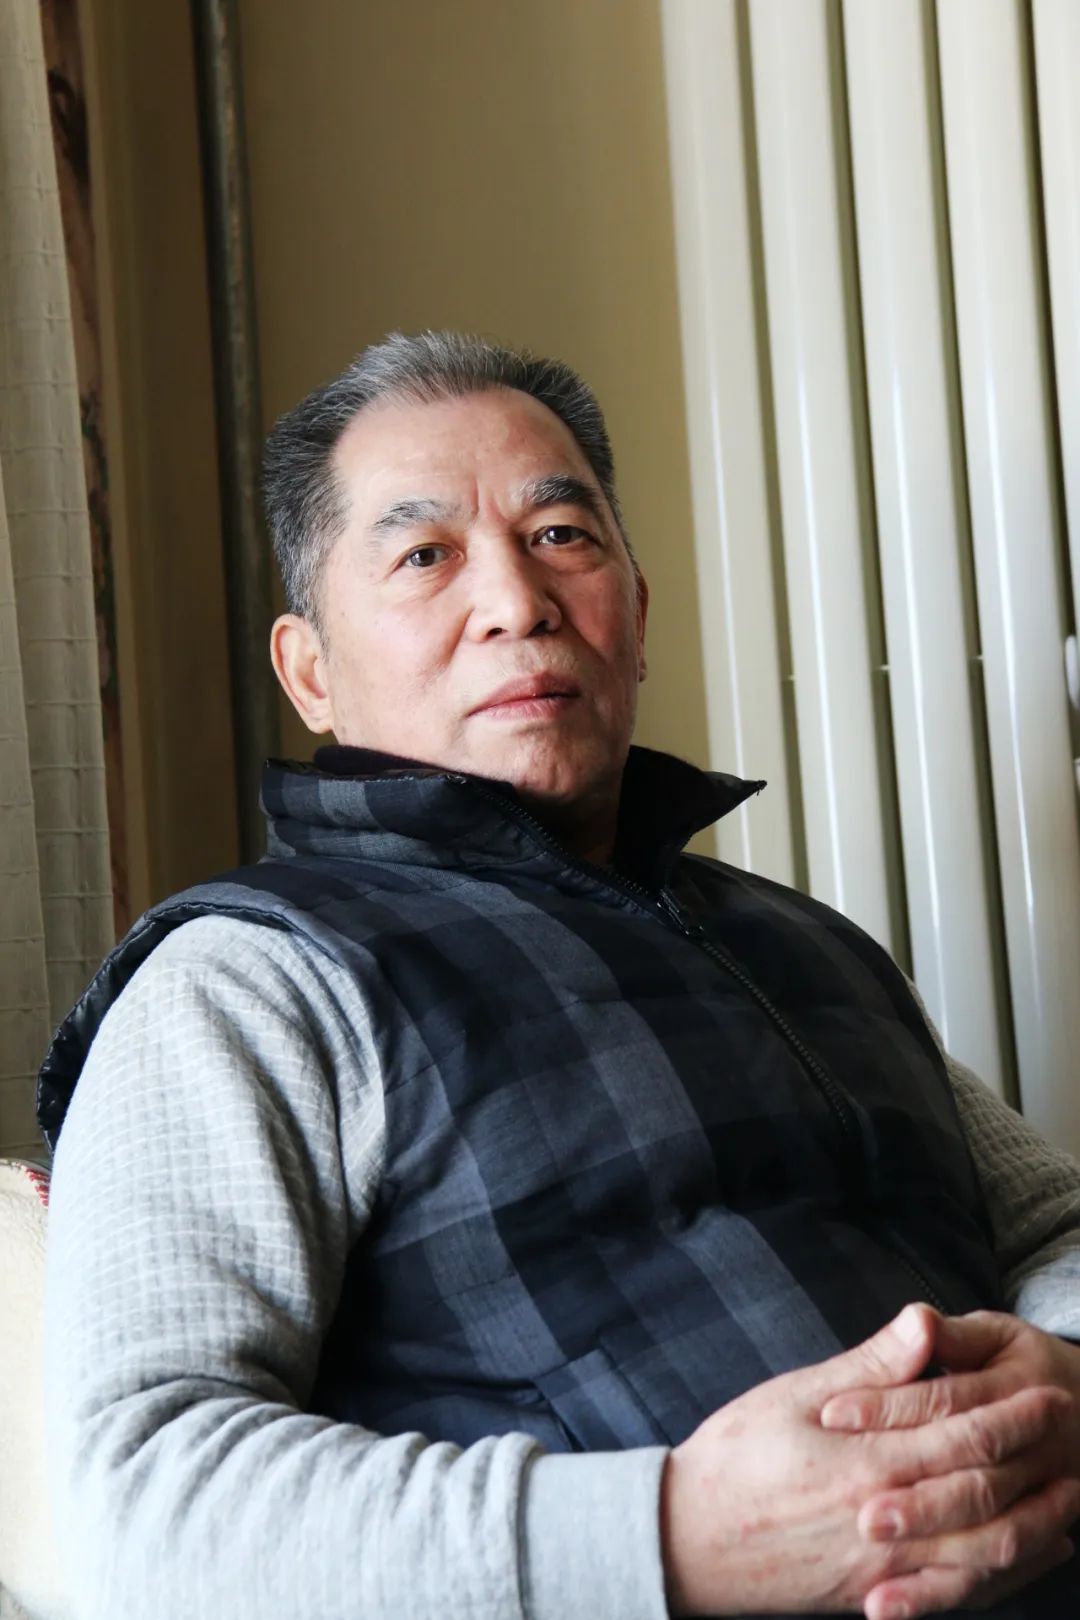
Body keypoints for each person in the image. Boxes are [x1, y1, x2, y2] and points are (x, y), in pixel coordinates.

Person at [39, 331, 1080, 1620]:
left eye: (560, 536)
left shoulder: (808, 942)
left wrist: (1060, 1372)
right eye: (426, 556)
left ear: (636, 615)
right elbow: (140, 1511)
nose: (517, 601)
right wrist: (679, 1533)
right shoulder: (246, 984)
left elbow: (1054, 1226)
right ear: (311, 672)